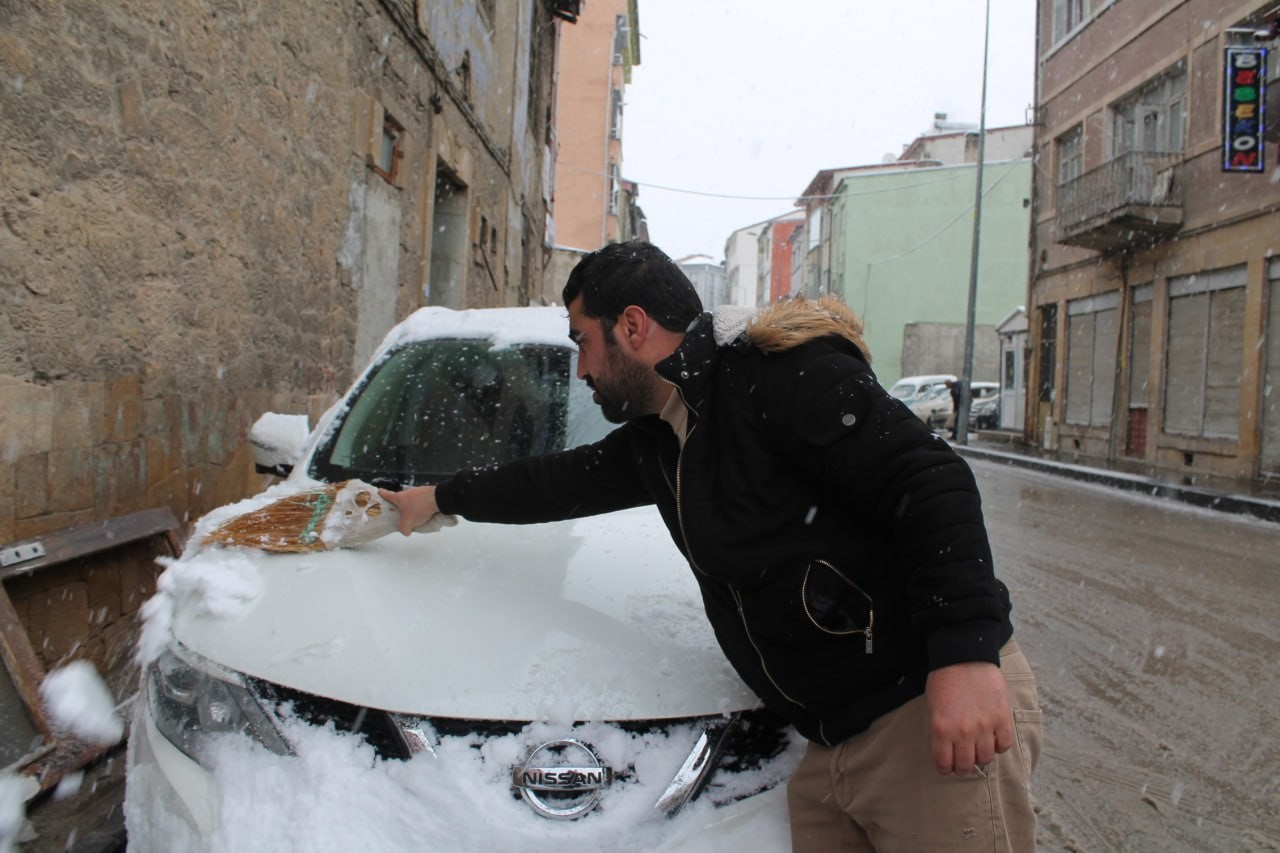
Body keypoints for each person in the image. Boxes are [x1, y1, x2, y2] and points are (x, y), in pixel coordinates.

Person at [381, 240, 1041, 852]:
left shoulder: (776, 376)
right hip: (830, 748)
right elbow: (558, 482)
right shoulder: (664, 438)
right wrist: (435, 498)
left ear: (633, 327)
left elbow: (929, 478)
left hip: (920, 718)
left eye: (583, 342)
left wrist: (964, 654)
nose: (580, 367)